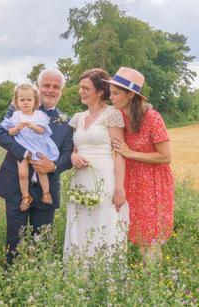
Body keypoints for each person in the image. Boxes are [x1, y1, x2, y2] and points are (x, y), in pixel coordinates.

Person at [0, 68, 73, 264]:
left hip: (47, 188)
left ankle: (40, 282)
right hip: (16, 185)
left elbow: (69, 155)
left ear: (62, 90)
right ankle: (11, 280)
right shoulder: (20, 109)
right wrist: (25, 153)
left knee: (42, 241)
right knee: (15, 240)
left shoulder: (67, 122)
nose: (50, 90)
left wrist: (52, 166)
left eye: (56, 87)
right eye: (46, 85)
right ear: (38, 87)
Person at [105, 67, 174, 262]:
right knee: (130, 227)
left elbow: (166, 156)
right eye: (111, 92)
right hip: (131, 178)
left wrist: (131, 153)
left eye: (116, 93)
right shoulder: (119, 117)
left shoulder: (152, 117)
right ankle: (135, 276)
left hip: (153, 181)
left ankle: (151, 281)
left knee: (150, 233)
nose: (112, 97)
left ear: (131, 94)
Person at [64, 69, 129, 259]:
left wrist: (119, 188)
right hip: (80, 178)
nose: (81, 92)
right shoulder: (78, 117)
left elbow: (119, 154)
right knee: (81, 221)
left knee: (102, 222)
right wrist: (73, 156)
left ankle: (104, 274)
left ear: (100, 92)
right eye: (80, 88)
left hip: (103, 177)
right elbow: (75, 148)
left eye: (86, 88)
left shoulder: (112, 114)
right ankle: (80, 272)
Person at [0, 83, 59, 210]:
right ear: (17, 102)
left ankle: (46, 193)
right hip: (23, 148)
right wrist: (17, 128)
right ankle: (26, 196)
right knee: (22, 174)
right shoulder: (16, 115)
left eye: (29, 100)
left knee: (41, 171)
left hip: (37, 147)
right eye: (22, 100)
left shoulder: (39, 115)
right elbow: (10, 132)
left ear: (35, 101)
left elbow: (43, 130)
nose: (25, 103)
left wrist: (32, 126)